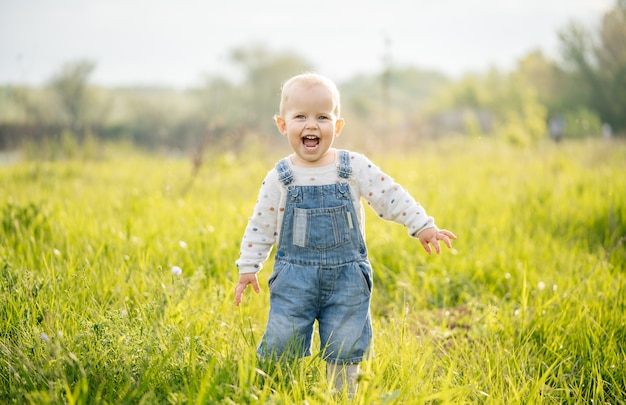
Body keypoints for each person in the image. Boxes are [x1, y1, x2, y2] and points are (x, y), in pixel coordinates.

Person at [234, 72, 456, 397]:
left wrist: (421, 225)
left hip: (347, 276)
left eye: (322, 117)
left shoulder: (352, 167)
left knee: (346, 340)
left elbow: (389, 194)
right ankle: (276, 392)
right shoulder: (281, 176)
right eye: (301, 117)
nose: (312, 125)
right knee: (282, 337)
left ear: (337, 126)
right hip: (294, 277)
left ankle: (341, 395)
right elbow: (261, 223)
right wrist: (248, 266)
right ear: (283, 125)